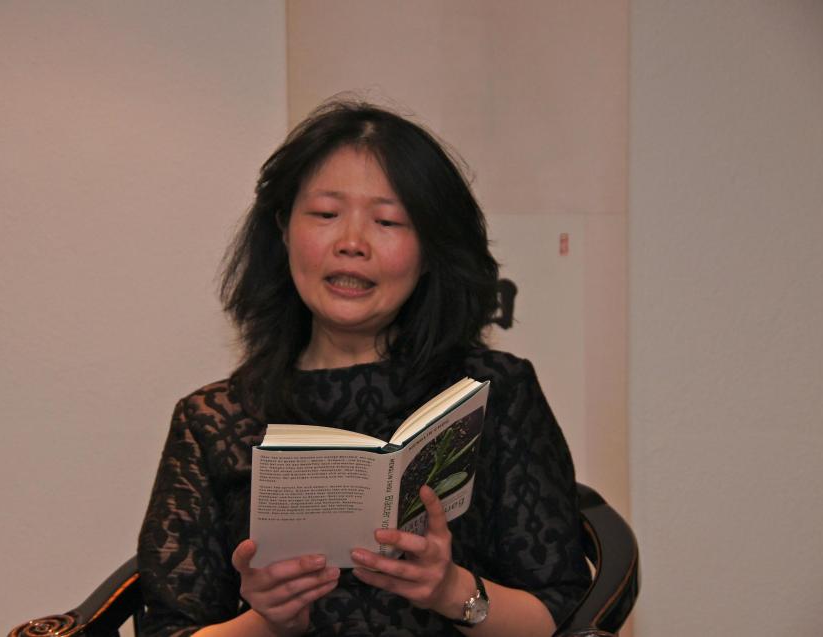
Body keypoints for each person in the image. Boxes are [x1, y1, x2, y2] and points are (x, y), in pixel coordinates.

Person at [137, 100, 590, 637]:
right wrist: (268, 622)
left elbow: (561, 613)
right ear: (283, 228)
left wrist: (450, 590)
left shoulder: (495, 392)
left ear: (430, 250)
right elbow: (168, 628)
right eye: (326, 215)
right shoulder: (214, 420)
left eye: (388, 221)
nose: (351, 244)